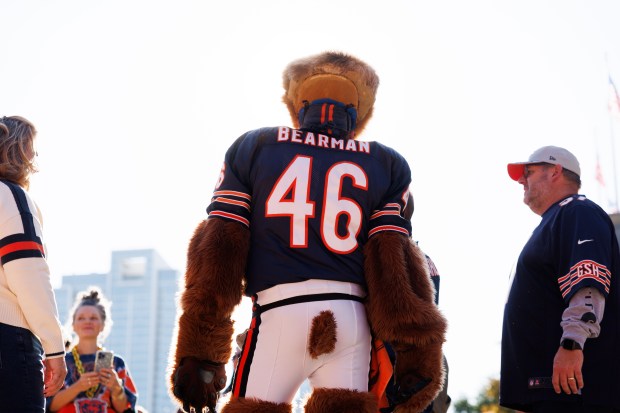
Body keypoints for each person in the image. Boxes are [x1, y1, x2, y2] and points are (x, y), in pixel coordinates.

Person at [168, 51, 447, 413]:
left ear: (298, 101)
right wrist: (416, 351)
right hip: (350, 318)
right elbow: (395, 267)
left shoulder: (255, 145)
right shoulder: (387, 163)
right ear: (359, 107)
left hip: (279, 311)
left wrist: (200, 349)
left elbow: (220, 251)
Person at [500, 146, 620, 412]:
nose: (521, 180)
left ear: (555, 171)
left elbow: (588, 281)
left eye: (528, 172)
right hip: (554, 389)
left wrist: (572, 343)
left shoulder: (577, 211)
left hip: (570, 388)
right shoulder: (558, 218)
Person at [0, 115, 67, 412]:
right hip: (8, 340)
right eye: (32, 148)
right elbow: (28, 272)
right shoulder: (12, 197)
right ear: (19, 149)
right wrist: (54, 347)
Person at [47, 288, 138, 412]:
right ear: (73, 325)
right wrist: (78, 387)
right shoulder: (61, 362)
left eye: (93, 318)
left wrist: (116, 387)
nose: (88, 321)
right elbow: (48, 406)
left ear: (103, 325)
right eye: (81, 318)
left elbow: (126, 410)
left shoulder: (117, 364)